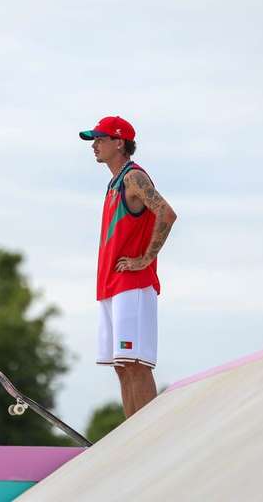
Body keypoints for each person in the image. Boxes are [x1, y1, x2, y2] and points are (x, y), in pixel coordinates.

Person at [79, 116, 177, 418]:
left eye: (100, 139)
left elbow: (166, 213)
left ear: (119, 142)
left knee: (136, 364)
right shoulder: (114, 181)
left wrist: (145, 259)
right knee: (122, 366)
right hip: (111, 285)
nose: (94, 145)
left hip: (132, 285)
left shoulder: (134, 177)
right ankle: (131, 438)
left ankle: (147, 440)